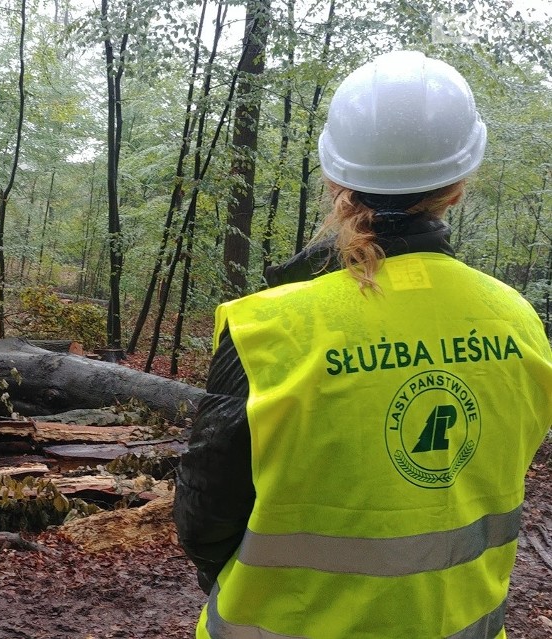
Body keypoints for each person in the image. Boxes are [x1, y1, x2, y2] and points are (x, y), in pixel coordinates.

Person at [173, 50, 552, 639]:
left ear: (334, 177)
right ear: (457, 187)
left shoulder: (266, 331)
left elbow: (204, 521)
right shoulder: (519, 324)